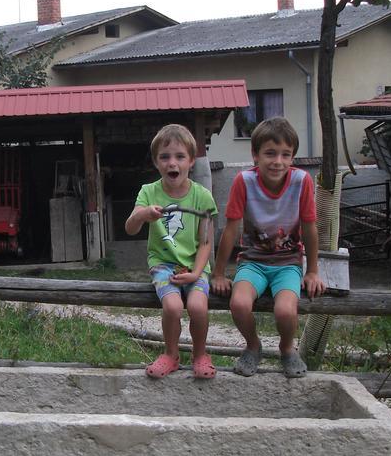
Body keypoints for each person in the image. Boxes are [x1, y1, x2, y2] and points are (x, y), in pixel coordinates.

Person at [211, 117, 326, 378]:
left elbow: (309, 227)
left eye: (286, 155)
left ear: (293, 157)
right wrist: (218, 273)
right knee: (239, 304)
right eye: (270, 154)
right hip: (252, 261)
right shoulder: (244, 181)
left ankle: (287, 348)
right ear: (255, 155)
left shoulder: (302, 181)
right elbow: (231, 228)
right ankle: (253, 345)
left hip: (287, 263)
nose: (278, 161)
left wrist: (312, 271)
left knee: (285, 310)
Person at [125, 124, 218, 379]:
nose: (172, 163)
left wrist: (196, 272)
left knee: (198, 307)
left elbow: (206, 242)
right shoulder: (148, 192)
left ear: (191, 161)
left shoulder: (203, 197)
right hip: (163, 264)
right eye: (165, 157)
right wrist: (143, 214)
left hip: (195, 266)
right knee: (173, 306)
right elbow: (130, 227)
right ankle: (171, 354)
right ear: (156, 162)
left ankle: (200, 354)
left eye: (179, 156)